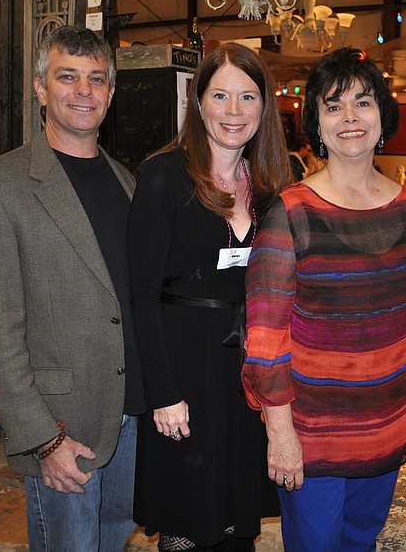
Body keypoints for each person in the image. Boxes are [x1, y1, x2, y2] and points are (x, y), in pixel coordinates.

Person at [0, 25, 144, 551]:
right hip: (65, 426)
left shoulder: (127, 182)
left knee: (113, 541)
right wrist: (43, 438)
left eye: (97, 79)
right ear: (41, 88)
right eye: (68, 77)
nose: (84, 91)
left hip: (129, 415)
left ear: (110, 93)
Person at [242, 47, 406, 551]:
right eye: (333, 106)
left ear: (382, 117)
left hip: (387, 431)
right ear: (316, 127)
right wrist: (280, 434)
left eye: (363, 103)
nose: (350, 117)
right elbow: (264, 338)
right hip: (312, 439)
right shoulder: (290, 211)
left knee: (361, 544)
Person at [128, 42, 290, 552]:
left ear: (264, 107)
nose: (234, 111)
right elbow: (141, 294)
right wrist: (163, 393)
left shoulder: (271, 185)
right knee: (186, 523)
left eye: (247, 97)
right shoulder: (164, 175)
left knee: (237, 519)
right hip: (184, 374)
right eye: (220, 95)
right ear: (198, 103)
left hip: (246, 375)